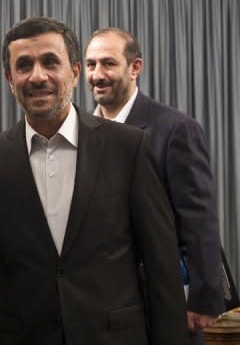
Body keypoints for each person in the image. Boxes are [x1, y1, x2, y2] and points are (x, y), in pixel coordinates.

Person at [0, 17, 188, 345]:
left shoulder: (128, 148)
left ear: (75, 72)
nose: (37, 76)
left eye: (50, 62)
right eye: (24, 65)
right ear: (10, 79)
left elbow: (161, 264)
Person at [85, 27, 224, 345]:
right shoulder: (80, 133)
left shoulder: (175, 129)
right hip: (99, 304)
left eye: (108, 63)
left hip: (162, 300)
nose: (97, 74)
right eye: (91, 65)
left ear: (135, 67)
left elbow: (199, 220)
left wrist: (203, 299)